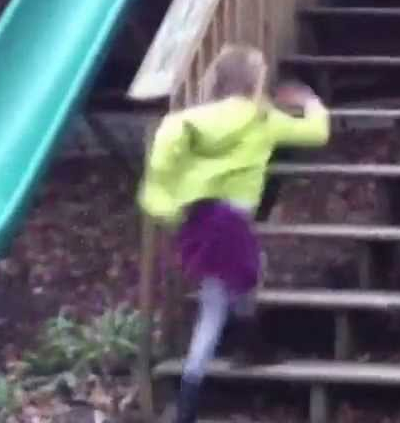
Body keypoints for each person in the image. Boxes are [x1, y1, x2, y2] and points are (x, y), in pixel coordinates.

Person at [137, 44, 330, 423]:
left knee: (248, 272)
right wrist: (311, 101)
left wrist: (168, 200)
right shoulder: (262, 119)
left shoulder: (191, 120)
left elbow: (166, 160)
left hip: (198, 217)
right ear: (255, 82)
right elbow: (316, 134)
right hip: (231, 221)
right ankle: (188, 401)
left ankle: (249, 344)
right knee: (215, 304)